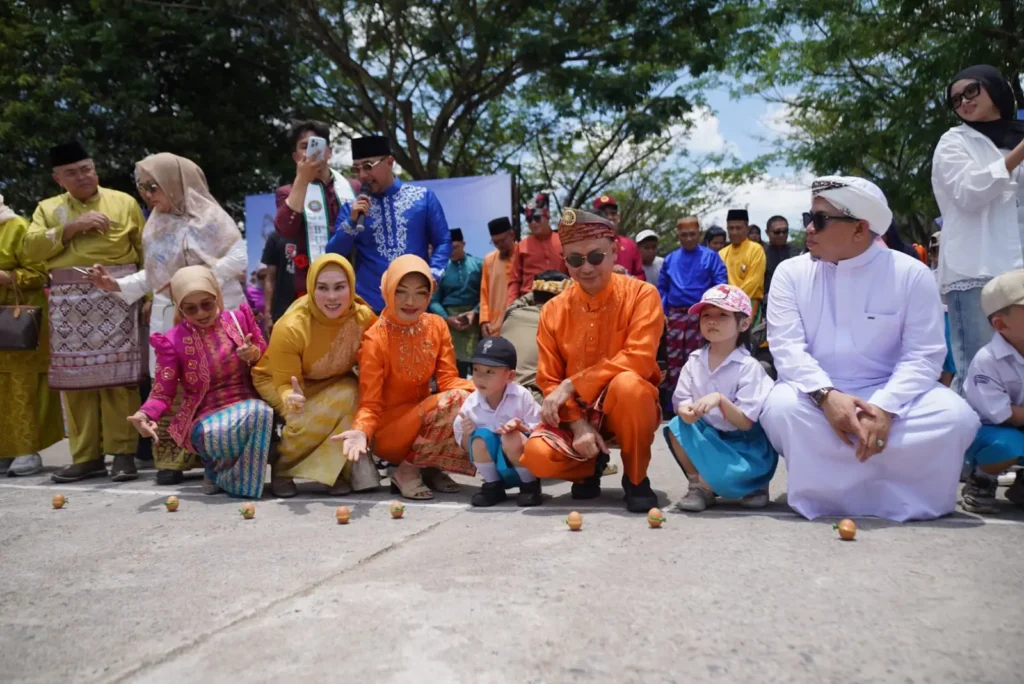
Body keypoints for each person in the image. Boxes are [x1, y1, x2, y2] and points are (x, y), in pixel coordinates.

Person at [759, 176, 980, 522]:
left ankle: (902, 498)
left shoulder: (911, 273)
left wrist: (884, 408)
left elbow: (924, 356)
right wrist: (827, 396)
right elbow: (788, 350)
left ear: (860, 230)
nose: (809, 230)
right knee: (781, 409)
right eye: (808, 218)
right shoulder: (791, 273)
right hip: (815, 396)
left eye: (819, 220)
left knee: (956, 418)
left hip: (894, 395)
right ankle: (825, 498)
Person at [84, 152, 247, 485]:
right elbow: (153, 274)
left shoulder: (212, 217)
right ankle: (171, 459)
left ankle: (221, 458)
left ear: (175, 184)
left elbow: (239, 256)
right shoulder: (154, 224)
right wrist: (114, 284)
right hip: (170, 318)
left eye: (152, 186)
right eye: (142, 187)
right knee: (169, 384)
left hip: (214, 310)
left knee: (222, 380)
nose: (147, 194)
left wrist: (199, 278)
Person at [519, 209, 663, 512]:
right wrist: (579, 425)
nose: (586, 268)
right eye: (574, 260)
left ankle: (636, 479)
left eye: (595, 257)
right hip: (579, 414)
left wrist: (573, 384)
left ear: (614, 252)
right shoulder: (553, 310)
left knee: (628, 385)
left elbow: (639, 358)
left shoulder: (642, 295)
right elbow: (548, 378)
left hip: (628, 407)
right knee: (535, 456)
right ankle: (590, 465)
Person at [23, 141, 146, 484]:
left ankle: (123, 454)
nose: (82, 177)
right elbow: (31, 249)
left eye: (87, 169)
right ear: (57, 178)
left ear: (95, 168)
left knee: (120, 380)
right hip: (68, 303)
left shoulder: (124, 201)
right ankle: (86, 456)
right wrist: (72, 227)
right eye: (72, 173)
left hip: (117, 296)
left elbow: (145, 250)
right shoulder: (47, 209)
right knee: (75, 383)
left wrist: (147, 294)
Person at [334, 255, 475, 500]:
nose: (411, 302)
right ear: (388, 290)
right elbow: (370, 404)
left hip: (425, 418)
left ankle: (429, 467)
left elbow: (449, 381)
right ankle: (407, 472)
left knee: (472, 402)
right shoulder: (375, 339)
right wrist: (361, 432)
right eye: (401, 292)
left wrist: (489, 390)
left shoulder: (436, 325)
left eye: (421, 293)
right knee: (454, 400)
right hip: (391, 433)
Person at [129, 266, 272, 497]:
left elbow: (268, 360)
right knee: (259, 414)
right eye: (190, 308)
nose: (201, 313)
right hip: (206, 420)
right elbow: (162, 392)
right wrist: (145, 415)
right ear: (179, 308)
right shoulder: (173, 341)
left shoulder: (239, 320)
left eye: (207, 304)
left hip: (249, 406)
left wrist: (254, 354)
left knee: (260, 413)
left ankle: (224, 475)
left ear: (218, 296)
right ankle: (222, 472)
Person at [253, 254, 379, 498]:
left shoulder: (363, 319)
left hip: (331, 378)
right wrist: (290, 396)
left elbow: (375, 364)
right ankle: (283, 468)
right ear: (311, 288)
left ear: (351, 287)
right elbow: (283, 381)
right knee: (302, 416)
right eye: (322, 288)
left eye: (339, 287)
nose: (332, 297)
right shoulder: (291, 327)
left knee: (354, 395)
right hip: (282, 382)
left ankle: (334, 473)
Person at [933, 65, 1024, 395]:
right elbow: (970, 193)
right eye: (955, 99)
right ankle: (976, 446)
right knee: (979, 370)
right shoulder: (954, 142)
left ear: (995, 89)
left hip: (1020, 269)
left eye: (971, 91)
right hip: (977, 270)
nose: (963, 102)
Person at [664, 284, 777, 512]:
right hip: (713, 436)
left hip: (745, 443)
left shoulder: (749, 367)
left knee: (728, 478)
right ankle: (699, 486)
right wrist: (686, 412)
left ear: (744, 324)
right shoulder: (694, 361)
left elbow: (745, 422)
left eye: (722, 315)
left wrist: (720, 400)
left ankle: (754, 483)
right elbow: (682, 402)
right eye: (706, 315)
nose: (712, 321)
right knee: (675, 426)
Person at [327, 135, 451, 313]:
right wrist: (352, 222)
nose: (362, 175)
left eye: (368, 167)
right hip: (368, 308)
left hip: (413, 305)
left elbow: (443, 241)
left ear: (389, 162)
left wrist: (433, 274)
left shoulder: (423, 198)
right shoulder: (351, 208)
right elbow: (333, 254)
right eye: (357, 169)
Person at [0, 195, 63, 476]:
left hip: (15, 318)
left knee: (21, 387)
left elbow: (38, 273)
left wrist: (4, 277)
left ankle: (27, 450)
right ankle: (5, 450)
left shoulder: (16, 227)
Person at [959, 270, 1024, 513]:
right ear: (1000, 324)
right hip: (988, 433)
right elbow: (1003, 414)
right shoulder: (988, 360)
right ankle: (982, 480)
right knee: (1008, 443)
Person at [453, 337, 543, 507]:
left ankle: (529, 485)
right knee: (479, 439)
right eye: (476, 369)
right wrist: (467, 433)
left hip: (521, 462)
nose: (480, 377)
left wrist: (520, 427)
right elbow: (465, 447)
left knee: (512, 437)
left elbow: (539, 428)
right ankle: (493, 486)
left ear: (510, 376)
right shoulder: (471, 404)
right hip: (494, 467)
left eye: (489, 372)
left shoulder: (521, 396)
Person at [273, 120, 357, 297]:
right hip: (311, 286)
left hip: (354, 281)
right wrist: (302, 181)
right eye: (305, 146)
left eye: (317, 144)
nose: (312, 151)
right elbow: (285, 230)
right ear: (296, 157)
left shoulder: (353, 188)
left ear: (329, 152)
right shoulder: (287, 192)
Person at [658, 216, 729, 398]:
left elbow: (720, 285)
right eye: (684, 235)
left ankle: (700, 398)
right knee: (674, 360)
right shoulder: (670, 259)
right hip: (675, 316)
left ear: (698, 233)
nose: (688, 238)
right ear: (678, 236)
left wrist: (712, 312)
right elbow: (662, 288)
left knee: (700, 358)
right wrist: (664, 312)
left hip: (701, 315)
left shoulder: (711, 257)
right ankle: (674, 401)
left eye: (692, 234)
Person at [502, 271, 572, 403]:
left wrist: (540, 290)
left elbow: (521, 301)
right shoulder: (563, 324)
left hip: (497, 395)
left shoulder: (513, 314)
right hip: (534, 400)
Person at [429, 228, 483, 377]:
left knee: (478, 364)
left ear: (464, 244)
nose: (451, 251)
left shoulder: (478, 265)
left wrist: (475, 312)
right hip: (449, 322)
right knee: (451, 367)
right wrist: (447, 319)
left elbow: (486, 295)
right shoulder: (440, 270)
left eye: (455, 247)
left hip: (474, 321)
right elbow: (433, 300)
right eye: (448, 248)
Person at [507, 196, 566, 302]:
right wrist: (511, 306)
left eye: (537, 218)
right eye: (529, 219)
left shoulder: (564, 242)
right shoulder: (522, 246)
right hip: (531, 301)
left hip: (561, 299)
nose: (533, 222)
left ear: (547, 216)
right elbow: (515, 280)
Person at [718, 209, 766, 316]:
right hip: (725, 305)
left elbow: (754, 282)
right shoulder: (722, 253)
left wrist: (733, 300)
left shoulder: (756, 249)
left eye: (738, 228)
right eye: (731, 228)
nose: (734, 232)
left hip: (749, 303)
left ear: (747, 229)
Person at [479, 217, 518, 337]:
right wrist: (484, 320)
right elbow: (484, 293)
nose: (499, 245)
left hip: (519, 323)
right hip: (494, 326)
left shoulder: (524, 255)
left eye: (502, 241)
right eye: (495, 242)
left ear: (512, 234)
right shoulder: (489, 260)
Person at [592, 195, 645, 279]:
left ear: (618, 217)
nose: (609, 217)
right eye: (604, 214)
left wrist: (633, 279)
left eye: (613, 213)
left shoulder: (630, 245)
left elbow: (641, 275)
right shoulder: (586, 245)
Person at [929, 229, 957, 387]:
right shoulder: (929, 274)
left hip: (951, 318)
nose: (936, 255)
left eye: (939, 250)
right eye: (934, 251)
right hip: (936, 318)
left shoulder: (958, 274)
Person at [261, 231, 298, 328]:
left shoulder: (313, 236)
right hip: (281, 312)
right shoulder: (275, 237)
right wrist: (268, 314)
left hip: (309, 312)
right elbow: (270, 278)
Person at [764, 215, 797, 295]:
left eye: (785, 231)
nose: (781, 235)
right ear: (767, 232)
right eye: (777, 232)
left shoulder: (797, 253)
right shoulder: (761, 254)